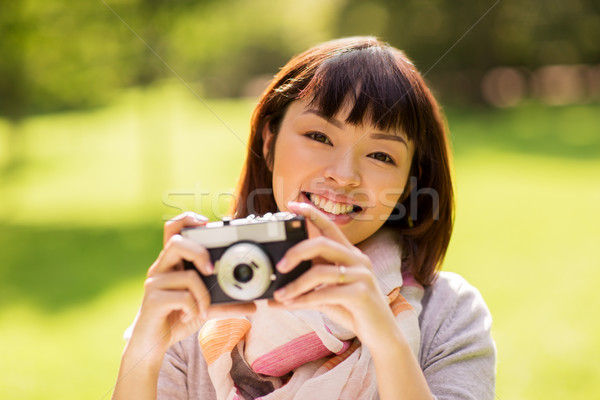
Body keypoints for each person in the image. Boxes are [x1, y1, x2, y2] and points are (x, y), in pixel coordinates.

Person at [112, 37, 496, 400]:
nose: (344, 175)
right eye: (319, 136)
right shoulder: (195, 303)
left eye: (381, 156)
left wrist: (385, 336)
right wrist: (143, 352)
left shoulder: (448, 313)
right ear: (269, 141)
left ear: (411, 183)